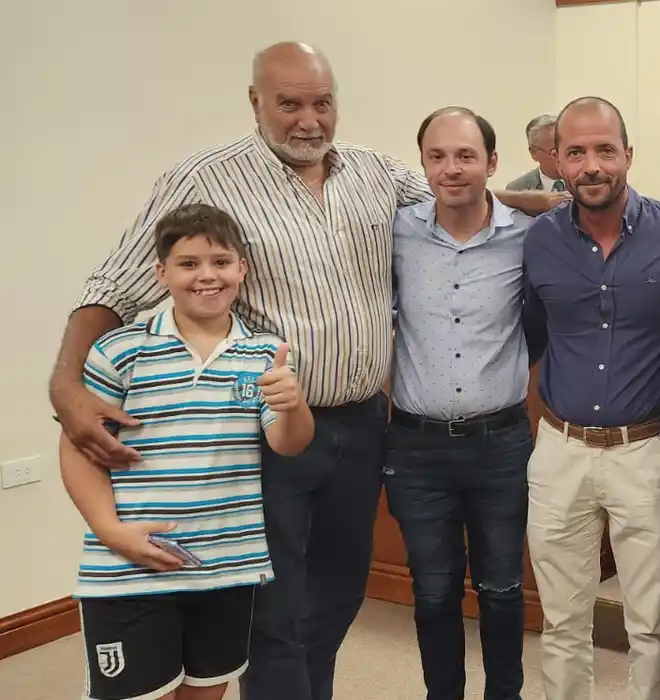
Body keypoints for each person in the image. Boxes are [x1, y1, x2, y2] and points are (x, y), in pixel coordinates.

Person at [47, 42, 554, 700]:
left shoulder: (378, 173)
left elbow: (458, 193)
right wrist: (65, 383)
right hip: (273, 430)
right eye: (289, 104)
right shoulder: (205, 176)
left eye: (322, 102)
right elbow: (113, 284)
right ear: (256, 103)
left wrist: (564, 204)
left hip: (366, 426)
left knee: (339, 595)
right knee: (277, 610)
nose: (307, 119)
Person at [62, 204, 315, 700]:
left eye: (221, 262)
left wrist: (293, 403)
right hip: (129, 566)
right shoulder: (120, 350)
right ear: (162, 273)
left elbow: (287, 442)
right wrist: (112, 532)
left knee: (206, 689)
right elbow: (77, 451)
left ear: (242, 268)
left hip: (226, 566)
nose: (207, 276)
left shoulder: (265, 352)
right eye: (188, 263)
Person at [521, 96, 660, 700]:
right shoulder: (539, 241)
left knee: (651, 623)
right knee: (562, 622)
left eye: (605, 149)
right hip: (559, 450)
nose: (591, 164)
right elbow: (528, 332)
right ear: (557, 161)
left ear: (629, 154)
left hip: (646, 452)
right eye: (576, 152)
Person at [385, 107, 534, 700]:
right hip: (416, 448)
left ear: (492, 164)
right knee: (433, 591)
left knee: (501, 589)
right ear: (422, 163)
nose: (452, 169)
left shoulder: (527, 237)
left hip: (500, 445)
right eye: (438, 156)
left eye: (466, 156)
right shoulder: (395, 233)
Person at [505, 113, 566, 192]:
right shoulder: (516, 190)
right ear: (533, 153)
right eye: (554, 152)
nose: (562, 157)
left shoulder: (583, 182)